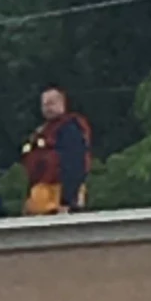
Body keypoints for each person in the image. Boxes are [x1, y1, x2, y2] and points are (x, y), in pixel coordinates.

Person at [22, 86, 92, 215]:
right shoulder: (42, 131)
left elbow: (74, 164)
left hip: (59, 195)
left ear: (62, 104)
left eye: (51, 103)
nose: (47, 108)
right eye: (44, 105)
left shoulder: (70, 128)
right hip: (42, 195)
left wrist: (67, 200)